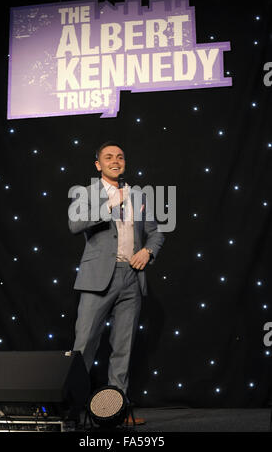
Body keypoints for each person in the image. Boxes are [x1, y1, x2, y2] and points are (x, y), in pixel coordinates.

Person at [68, 141, 165, 425]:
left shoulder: (138, 195)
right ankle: (71, 412)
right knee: (84, 345)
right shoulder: (86, 193)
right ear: (98, 164)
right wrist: (111, 202)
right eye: (108, 157)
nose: (115, 160)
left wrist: (148, 251)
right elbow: (74, 225)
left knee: (123, 348)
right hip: (98, 278)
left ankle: (116, 412)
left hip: (131, 278)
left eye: (120, 157)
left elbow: (156, 232)